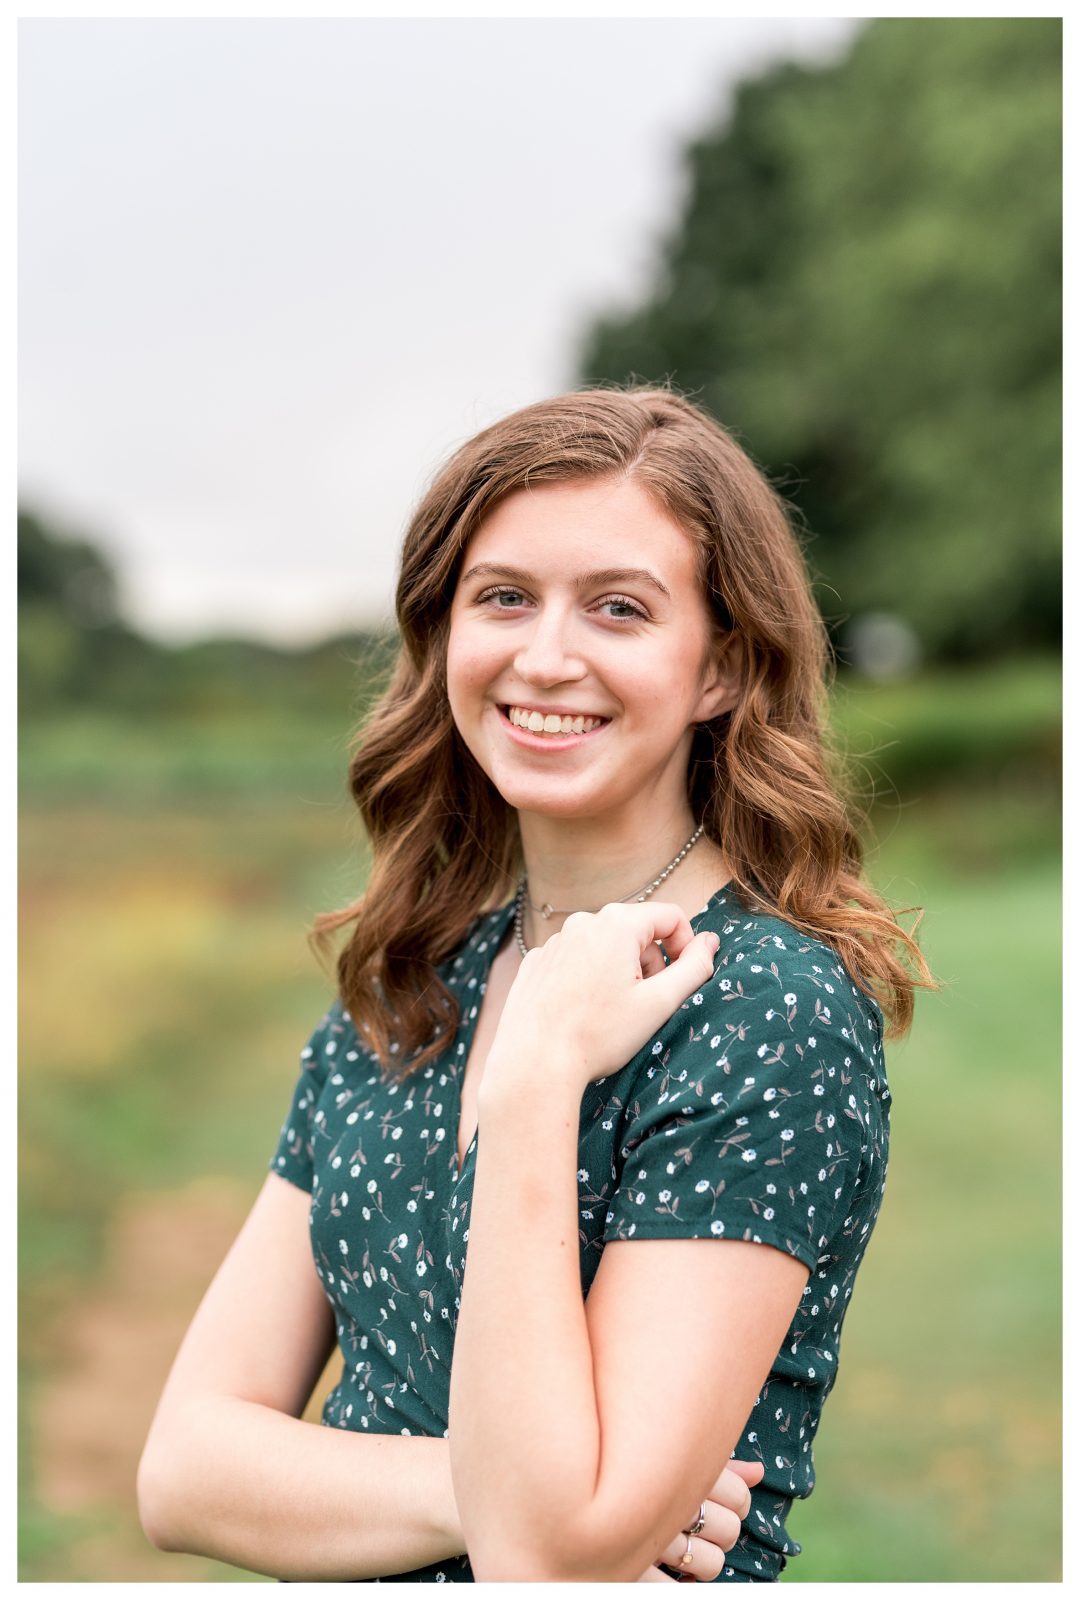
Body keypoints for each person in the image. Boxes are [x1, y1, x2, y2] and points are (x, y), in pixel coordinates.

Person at [137, 387, 930, 1582]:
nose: (545, 655)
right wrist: (486, 1492)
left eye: (618, 607)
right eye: (503, 597)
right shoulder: (409, 987)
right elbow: (184, 1470)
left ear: (718, 668)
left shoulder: (768, 1012)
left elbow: (551, 1564)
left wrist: (540, 1078)